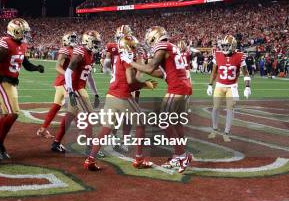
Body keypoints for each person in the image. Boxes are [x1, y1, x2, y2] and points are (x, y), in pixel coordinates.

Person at [121, 26, 193, 174]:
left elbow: (151, 67)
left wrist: (130, 62)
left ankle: (182, 155)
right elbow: (162, 73)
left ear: (154, 37)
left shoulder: (162, 46)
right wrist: (146, 75)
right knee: (176, 122)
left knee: (163, 121)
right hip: (182, 85)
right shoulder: (171, 46)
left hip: (177, 88)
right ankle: (178, 155)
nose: (149, 41)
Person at [84, 36, 157, 171]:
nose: (135, 49)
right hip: (122, 96)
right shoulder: (127, 57)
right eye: (133, 46)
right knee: (141, 123)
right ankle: (139, 159)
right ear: (127, 47)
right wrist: (144, 85)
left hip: (111, 95)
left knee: (105, 128)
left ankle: (90, 159)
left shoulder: (118, 56)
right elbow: (129, 81)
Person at [0, 18, 44, 160]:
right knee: (14, 113)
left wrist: (37, 68)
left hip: (11, 83)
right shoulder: (5, 43)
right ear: (15, 31)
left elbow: (26, 64)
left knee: (8, 115)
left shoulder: (22, 44)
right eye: (24, 32)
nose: (26, 34)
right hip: (2, 81)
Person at [58, 31, 102, 154]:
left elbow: (89, 76)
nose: (97, 45)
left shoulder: (90, 54)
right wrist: (71, 91)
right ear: (87, 41)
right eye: (95, 42)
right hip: (74, 88)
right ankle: (89, 148)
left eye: (98, 42)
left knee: (70, 116)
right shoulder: (80, 52)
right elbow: (67, 72)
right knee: (88, 117)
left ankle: (56, 142)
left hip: (81, 88)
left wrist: (96, 93)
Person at [206, 35, 251, 142]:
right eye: (224, 46)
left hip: (232, 86)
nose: (225, 48)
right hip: (219, 85)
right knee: (215, 108)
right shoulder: (217, 54)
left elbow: (246, 73)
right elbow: (214, 71)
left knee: (230, 108)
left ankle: (226, 132)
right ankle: (215, 129)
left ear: (233, 45)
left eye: (227, 46)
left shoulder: (240, 56)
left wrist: (247, 87)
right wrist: (210, 84)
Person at [37, 32, 77, 140]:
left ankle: (43, 129)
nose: (73, 40)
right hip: (64, 82)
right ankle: (84, 134)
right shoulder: (65, 50)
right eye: (71, 38)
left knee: (56, 106)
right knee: (75, 107)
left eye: (74, 38)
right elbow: (58, 67)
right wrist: (68, 75)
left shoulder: (73, 50)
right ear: (65, 39)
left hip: (62, 83)